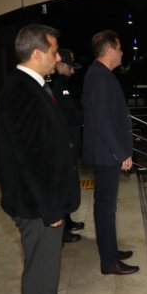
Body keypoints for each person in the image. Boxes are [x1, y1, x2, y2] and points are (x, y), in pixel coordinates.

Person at [0, 24, 82, 294]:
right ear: (36, 53)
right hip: (35, 204)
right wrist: (51, 208)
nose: (57, 57)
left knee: (48, 266)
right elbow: (31, 156)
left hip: (41, 199)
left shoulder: (30, 85)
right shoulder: (21, 90)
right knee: (40, 270)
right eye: (54, 51)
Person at [83, 30, 138, 276]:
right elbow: (103, 120)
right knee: (105, 209)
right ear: (109, 50)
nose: (122, 52)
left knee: (107, 208)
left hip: (107, 154)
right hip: (107, 154)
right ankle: (108, 262)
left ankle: (111, 251)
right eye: (120, 47)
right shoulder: (98, 77)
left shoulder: (101, 75)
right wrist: (120, 153)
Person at [52, 48, 85, 242]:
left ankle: (68, 220)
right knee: (64, 185)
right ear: (61, 65)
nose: (73, 71)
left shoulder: (63, 84)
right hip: (66, 141)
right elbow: (68, 114)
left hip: (70, 139)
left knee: (70, 182)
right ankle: (63, 230)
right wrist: (88, 117)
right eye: (70, 67)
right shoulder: (58, 84)